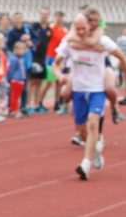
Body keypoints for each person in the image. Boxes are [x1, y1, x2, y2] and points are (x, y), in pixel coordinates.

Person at [54, 12, 126, 181]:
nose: (80, 32)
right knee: (82, 131)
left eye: (83, 28)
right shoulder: (69, 41)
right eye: (77, 28)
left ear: (90, 26)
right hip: (78, 88)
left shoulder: (102, 40)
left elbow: (121, 56)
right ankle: (94, 153)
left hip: (96, 88)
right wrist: (60, 77)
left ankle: (85, 164)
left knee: (93, 122)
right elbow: (55, 64)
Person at [7, 37, 29, 119]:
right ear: (16, 50)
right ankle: (14, 110)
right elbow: (10, 70)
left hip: (21, 79)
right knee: (14, 96)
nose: (23, 51)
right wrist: (9, 78)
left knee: (17, 95)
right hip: (15, 80)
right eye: (21, 50)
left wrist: (23, 77)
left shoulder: (21, 58)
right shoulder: (14, 59)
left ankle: (15, 109)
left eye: (23, 49)